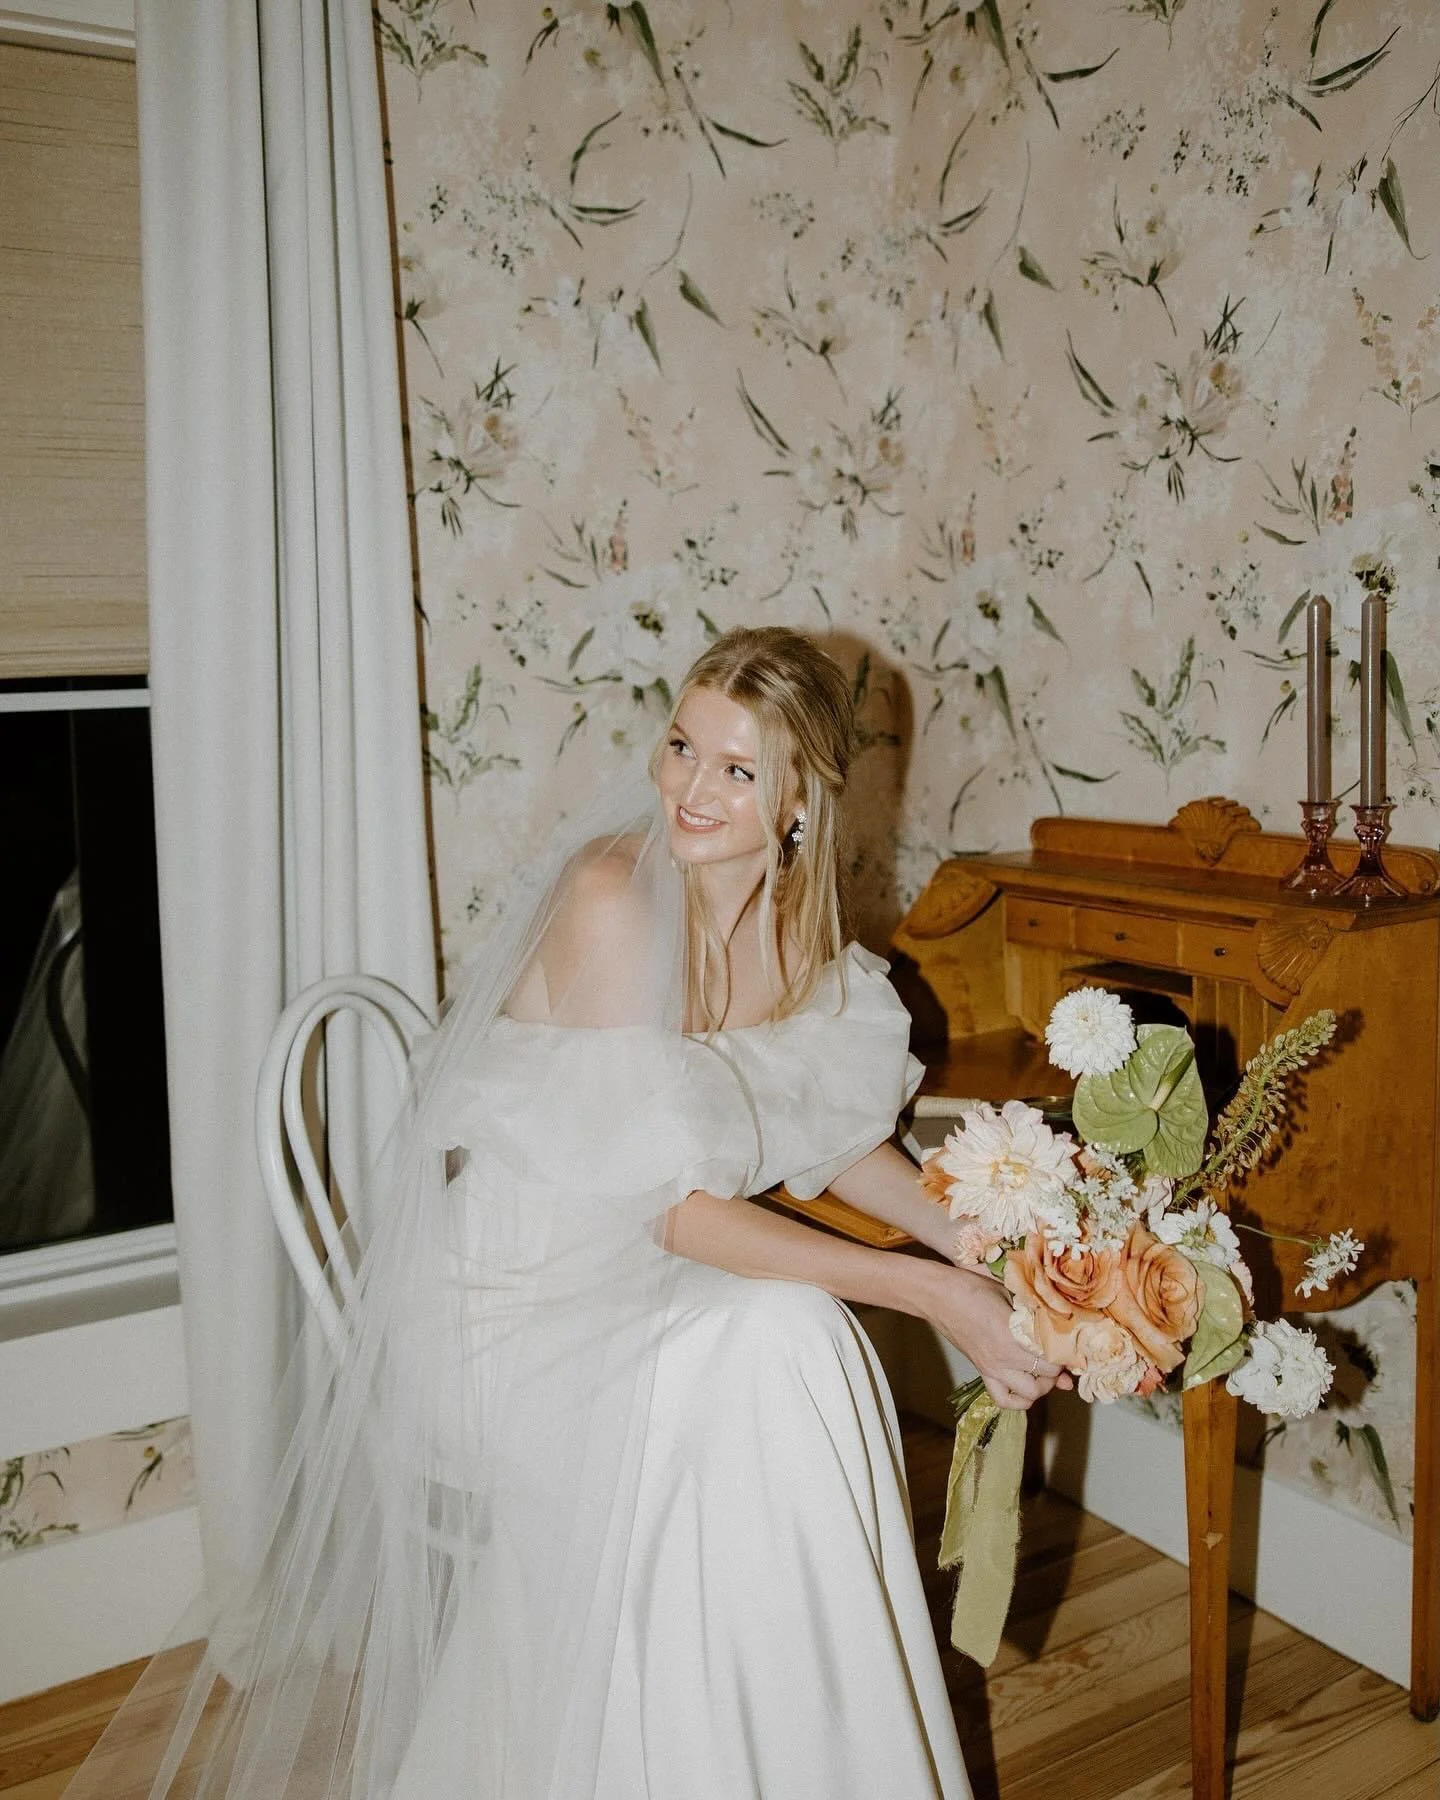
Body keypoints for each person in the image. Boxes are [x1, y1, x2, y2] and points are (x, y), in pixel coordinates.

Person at [67, 626, 1062, 1800]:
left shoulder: (801, 929)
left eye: (737, 771)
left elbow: (832, 1131)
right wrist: (930, 1290)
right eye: (684, 746)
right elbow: (666, 1208)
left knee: (781, 1343)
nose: (691, 789)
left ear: (800, 801)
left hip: (652, 1286)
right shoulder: (615, 898)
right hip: (510, 1308)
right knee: (785, 1339)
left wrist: (970, 1232)